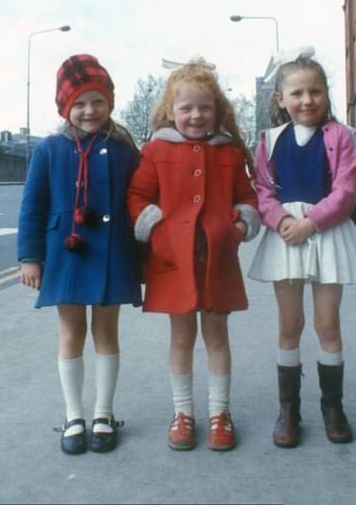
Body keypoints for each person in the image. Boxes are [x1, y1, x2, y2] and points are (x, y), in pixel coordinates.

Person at [126, 58, 261, 452]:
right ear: (171, 111)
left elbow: (247, 197)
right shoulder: (155, 151)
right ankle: (183, 413)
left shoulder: (229, 152)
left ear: (218, 111)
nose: (196, 115)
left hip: (217, 257)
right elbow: (137, 197)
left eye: (205, 108)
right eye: (186, 108)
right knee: (182, 337)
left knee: (217, 336)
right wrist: (157, 232)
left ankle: (220, 413)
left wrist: (238, 228)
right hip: (173, 260)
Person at [248, 48, 356, 448]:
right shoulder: (269, 140)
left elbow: (345, 189)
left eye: (316, 92)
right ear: (281, 99)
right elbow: (262, 190)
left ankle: (332, 406)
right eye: (298, 93)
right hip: (286, 234)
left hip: (326, 231)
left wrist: (311, 222)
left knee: (327, 323)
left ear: (326, 94)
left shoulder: (342, 136)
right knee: (290, 325)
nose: (307, 101)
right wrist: (282, 220)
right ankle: (289, 408)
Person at [17, 54, 142, 455]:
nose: (90, 111)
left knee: (106, 331)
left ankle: (104, 414)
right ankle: (74, 415)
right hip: (66, 251)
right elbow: (32, 205)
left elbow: (139, 200)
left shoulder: (124, 148)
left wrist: (146, 256)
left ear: (110, 103)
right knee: (71, 332)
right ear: (65, 107)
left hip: (112, 250)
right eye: (80, 103)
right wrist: (29, 257)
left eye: (98, 101)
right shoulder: (49, 150)